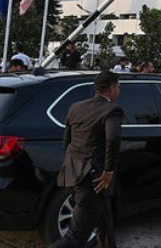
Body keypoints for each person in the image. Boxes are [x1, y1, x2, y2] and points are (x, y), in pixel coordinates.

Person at [50, 71, 123, 248]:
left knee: (105, 225)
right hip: (95, 180)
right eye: (118, 86)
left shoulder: (75, 107)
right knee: (75, 238)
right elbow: (112, 139)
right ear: (112, 88)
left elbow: (67, 141)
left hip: (74, 174)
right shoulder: (112, 110)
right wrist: (109, 171)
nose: (119, 90)